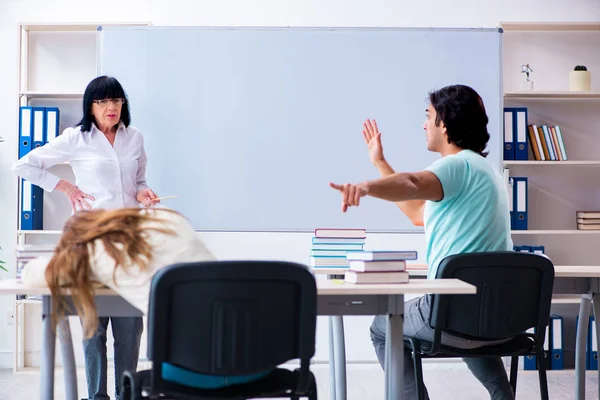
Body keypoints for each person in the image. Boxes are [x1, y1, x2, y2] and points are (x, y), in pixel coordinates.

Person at [329, 84, 515, 400]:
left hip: (454, 315)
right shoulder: (488, 172)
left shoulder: (456, 165)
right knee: (473, 323)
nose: (424, 124)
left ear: (445, 122)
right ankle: (503, 396)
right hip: (497, 317)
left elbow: (413, 183)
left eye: (428, 116)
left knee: (382, 329)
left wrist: (365, 186)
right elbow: (419, 214)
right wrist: (379, 162)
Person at [13, 76, 161, 400]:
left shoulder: (134, 138)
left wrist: (144, 193)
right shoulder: (76, 139)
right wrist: (63, 186)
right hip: (91, 245)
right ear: (90, 107)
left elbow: (139, 181)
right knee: (93, 332)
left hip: (127, 244)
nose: (111, 108)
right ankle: (96, 397)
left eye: (117, 100)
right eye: (103, 101)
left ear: (124, 103)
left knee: (130, 331)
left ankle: (127, 395)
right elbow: (24, 164)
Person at [20, 207, 272, 390]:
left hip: (196, 371)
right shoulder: (168, 221)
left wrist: (67, 254)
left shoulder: (95, 253)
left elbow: (31, 275)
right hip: (259, 361)